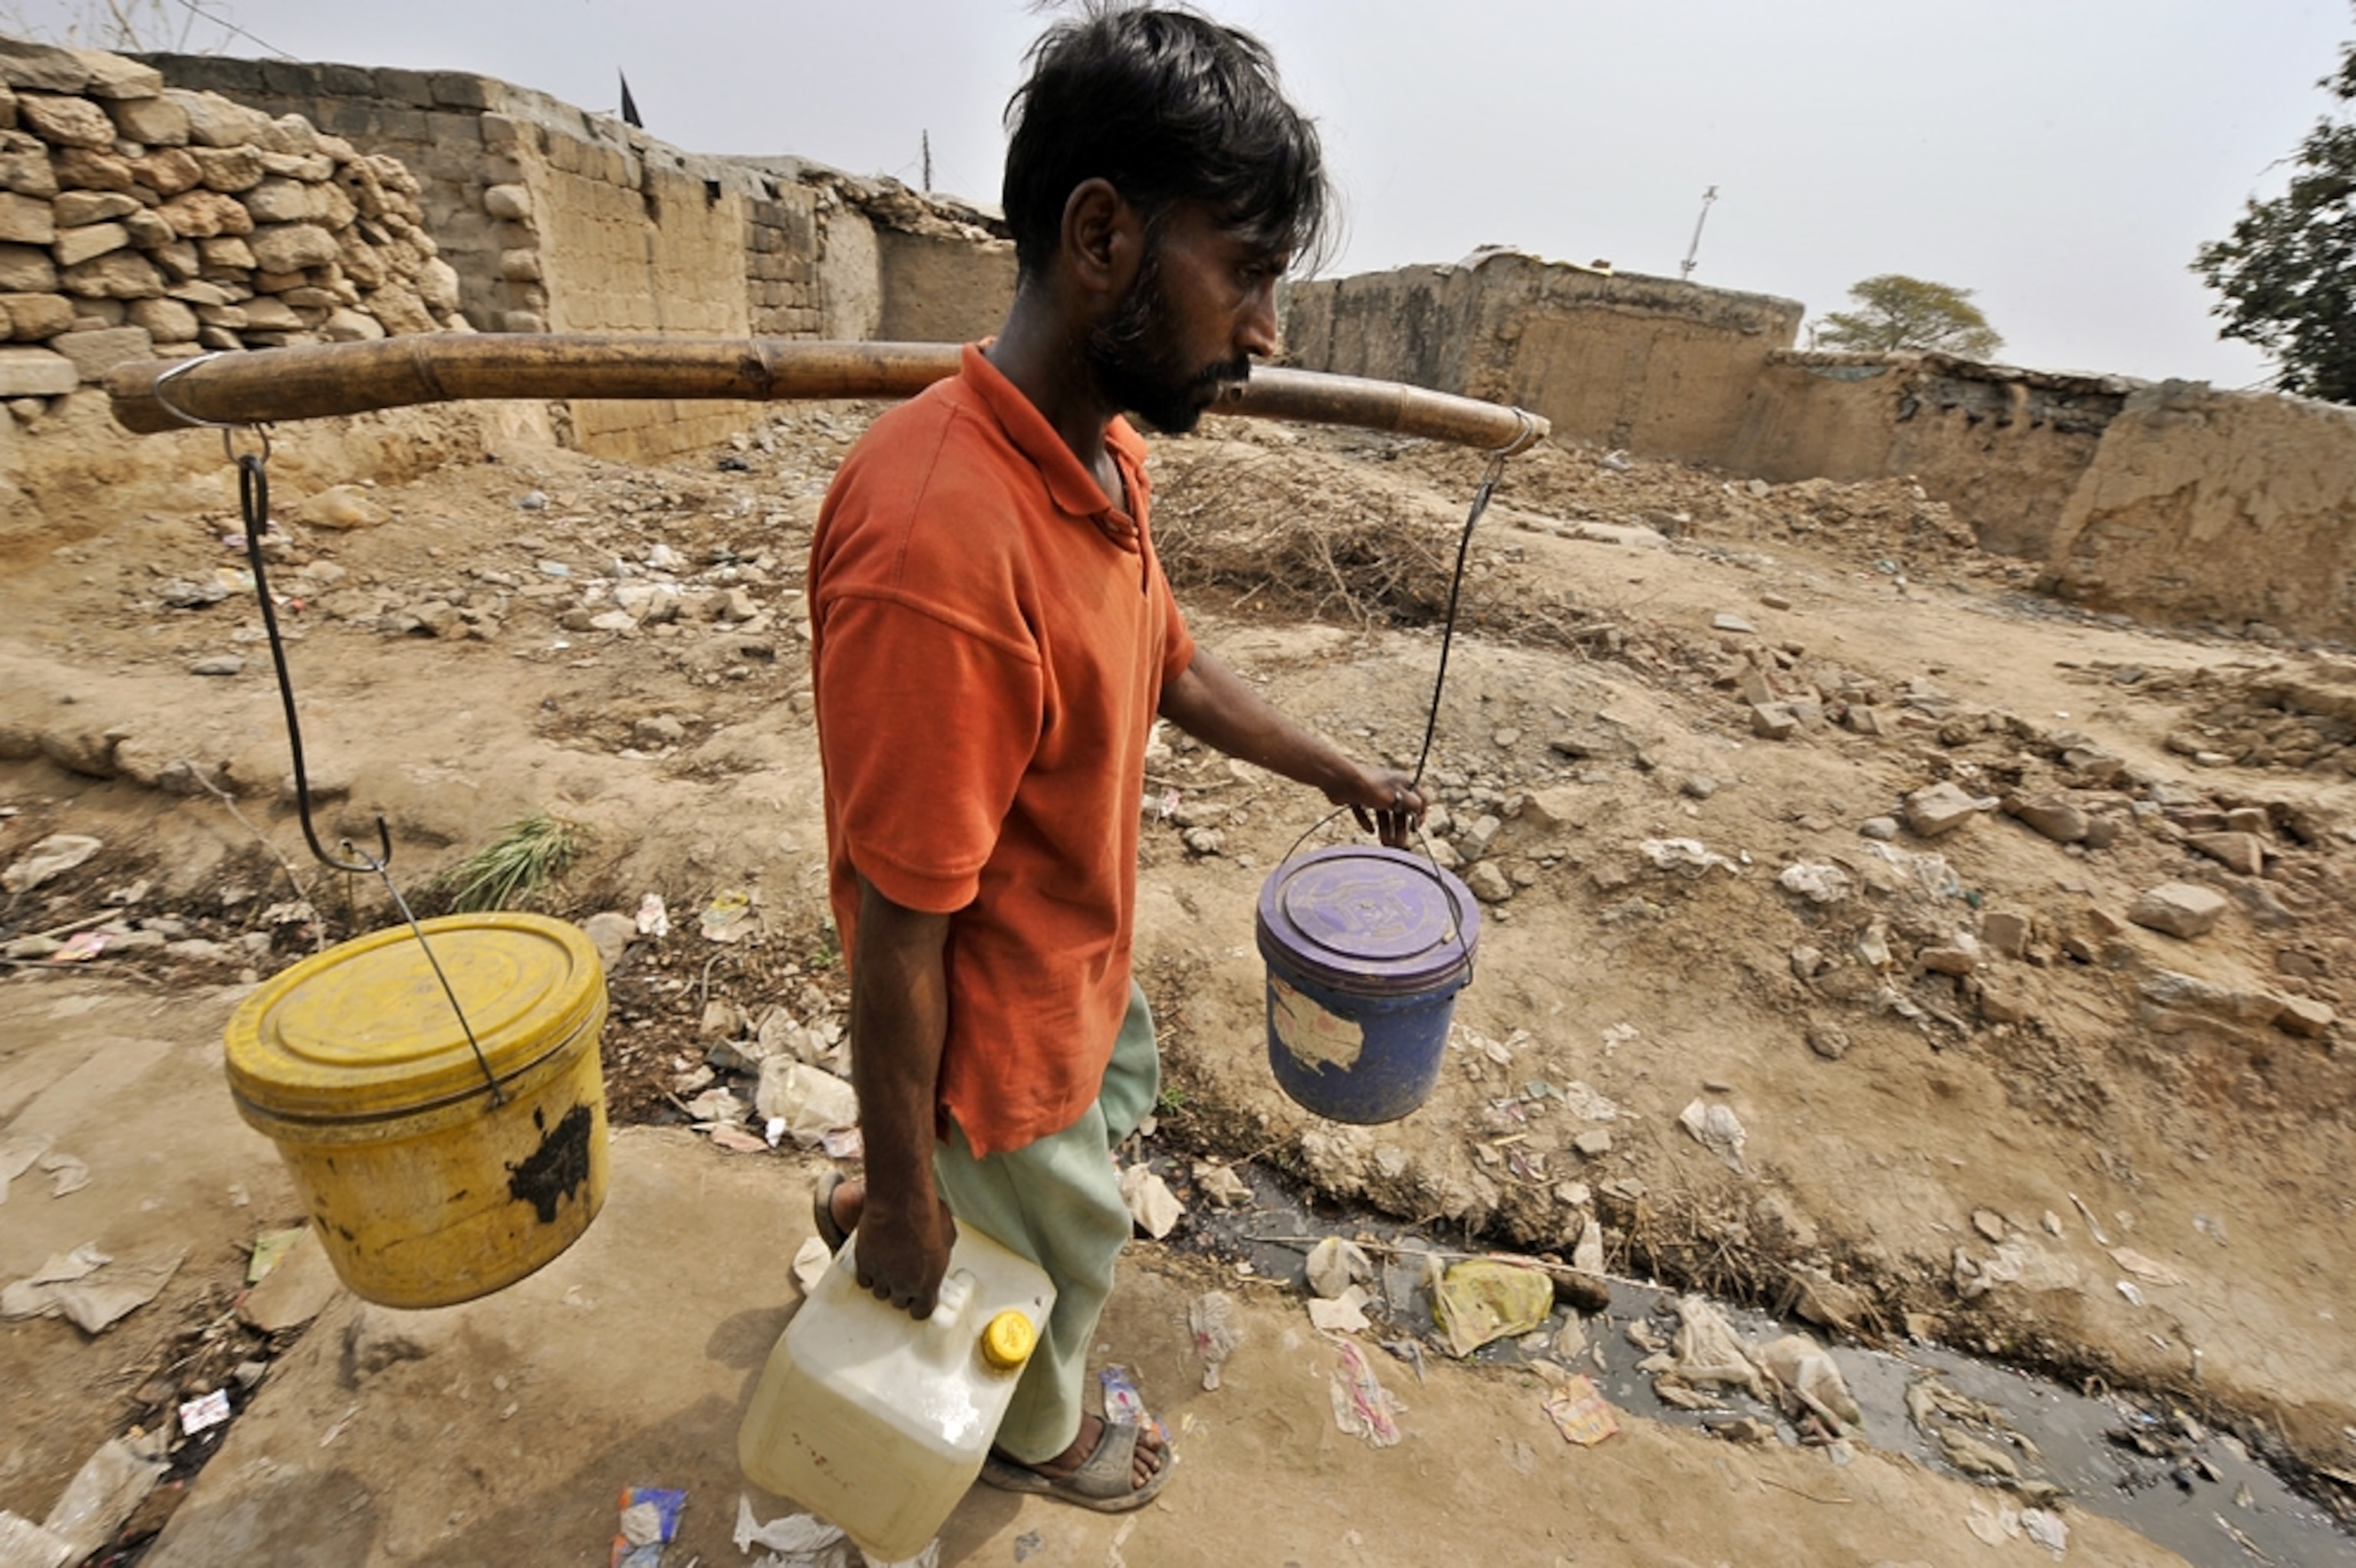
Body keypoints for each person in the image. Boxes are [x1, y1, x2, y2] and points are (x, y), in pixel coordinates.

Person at [805, 4, 1422, 1514]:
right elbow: (903, 924)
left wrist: (1332, 768)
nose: (1268, 333)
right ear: (1101, 239)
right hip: (991, 1048)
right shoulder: (941, 544)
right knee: (1066, 1256)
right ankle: (1039, 1430)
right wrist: (904, 1205)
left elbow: (1170, 663)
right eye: (1251, 278)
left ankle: (915, 1199)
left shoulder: (1099, 460)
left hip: (1070, 978)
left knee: (1090, 1141)